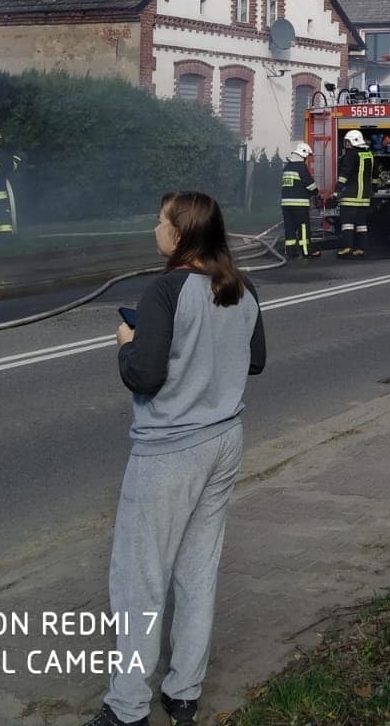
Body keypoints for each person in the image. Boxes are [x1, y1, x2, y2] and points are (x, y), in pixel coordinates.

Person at [84, 191, 267, 726]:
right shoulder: (242, 286)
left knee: (139, 579)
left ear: (180, 233)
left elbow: (144, 375)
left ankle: (127, 707)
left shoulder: (165, 291)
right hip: (224, 441)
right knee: (197, 569)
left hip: (168, 450)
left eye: (160, 221)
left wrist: (127, 342)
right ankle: (184, 692)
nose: (155, 228)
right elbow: (255, 361)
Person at [334, 128, 375, 258]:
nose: (346, 145)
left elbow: (344, 174)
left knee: (347, 223)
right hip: (364, 197)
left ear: (352, 142)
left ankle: (347, 247)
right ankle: (361, 248)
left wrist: (336, 191)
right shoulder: (369, 155)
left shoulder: (351, 155)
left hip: (351, 196)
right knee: (361, 224)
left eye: (347, 142)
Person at [279, 142, 320, 261]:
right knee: (303, 228)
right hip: (299, 205)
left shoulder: (287, 167)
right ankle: (306, 251)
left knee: (290, 229)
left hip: (286, 205)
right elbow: (310, 185)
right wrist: (315, 193)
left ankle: (291, 252)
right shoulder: (301, 167)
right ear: (304, 155)